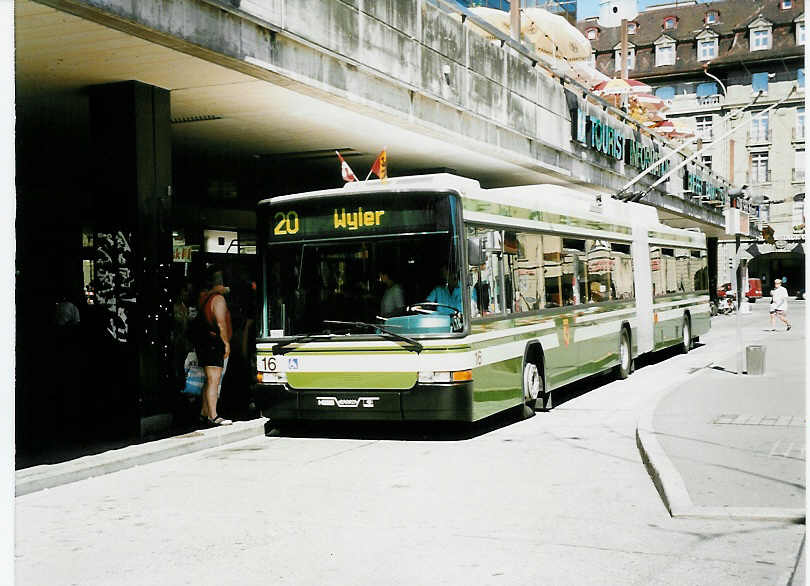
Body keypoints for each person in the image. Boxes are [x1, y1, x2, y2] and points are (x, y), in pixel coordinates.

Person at [196, 268, 233, 426]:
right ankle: (213, 415)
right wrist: (226, 343)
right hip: (214, 342)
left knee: (208, 379)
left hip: (204, 342)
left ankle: (204, 412)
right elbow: (221, 323)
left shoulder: (204, 297)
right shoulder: (218, 299)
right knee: (214, 380)